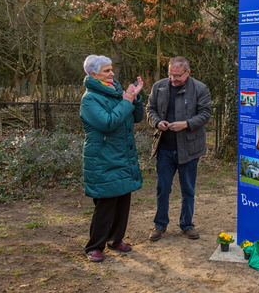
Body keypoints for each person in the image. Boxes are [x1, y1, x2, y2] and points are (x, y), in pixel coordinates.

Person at [79, 55, 144, 263]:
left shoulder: (116, 92)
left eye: (111, 69)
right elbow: (108, 123)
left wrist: (135, 97)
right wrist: (126, 101)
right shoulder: (89, 99)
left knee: (123, 200)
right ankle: (94, 246)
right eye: (107, 71)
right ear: (93, 75)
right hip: (103, 159)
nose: (112, 74)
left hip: (123, 155)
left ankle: (116, 240)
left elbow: (136, 117)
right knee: (106, 204)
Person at [147, 56, 212, 241]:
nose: (173, 79)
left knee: (188, 190)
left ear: (188, 72)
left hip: (190, 149)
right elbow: (149, 109)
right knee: (162, 189)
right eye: (170, 74)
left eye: (177, 76)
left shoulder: (200, 88)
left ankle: (187, 224)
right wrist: (157, 122)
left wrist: (186, 124)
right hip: (164, 149)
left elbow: (206, 114)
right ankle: (160, 225)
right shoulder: (158, 86)